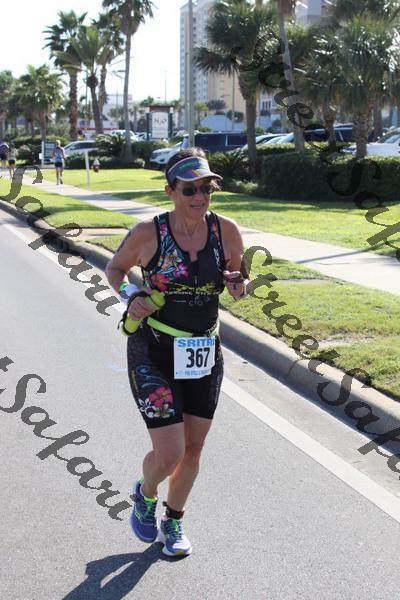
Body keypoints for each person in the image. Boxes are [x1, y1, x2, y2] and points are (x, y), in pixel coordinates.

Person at [105, 147, 248, 557]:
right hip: (153, 351)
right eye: (190, 189)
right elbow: (115, 270)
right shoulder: (148, 233)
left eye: (206, 188)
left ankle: (174, 520)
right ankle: (146, 492)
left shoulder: (226, 231)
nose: (200, 196)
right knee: (170, 453)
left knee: (194, 449)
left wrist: (238, 284)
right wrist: (132, 295)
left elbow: (238, 282)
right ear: (170, 191)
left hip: (204, 350)